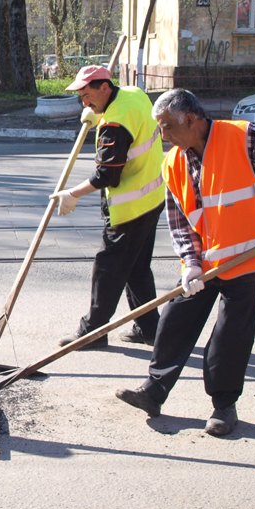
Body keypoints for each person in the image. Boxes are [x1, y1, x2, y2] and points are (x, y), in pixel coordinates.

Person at [115, 88, 255, 436]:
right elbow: (179, 220)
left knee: (230, 336)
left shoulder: (241, 139)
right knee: (174, 320)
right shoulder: (173, 162)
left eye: (167, 127)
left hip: (243, 258)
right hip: (205, 261)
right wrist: (190, 262)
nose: (162, 136)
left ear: (193, 120)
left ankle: (223, 408)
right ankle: (153, 392)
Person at [51, 65, 166, 349]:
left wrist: (72, 194)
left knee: (108, 268)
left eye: (88, 95)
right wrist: (98, 113)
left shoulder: (114, 124)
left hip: (130, 209)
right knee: (137, 268)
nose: (84, 102)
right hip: (153, 198)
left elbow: (107, 175)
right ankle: (150, 328)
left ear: (104, 87)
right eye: (81, 97)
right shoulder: (134, 94)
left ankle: (92, 332)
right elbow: (132, 121)